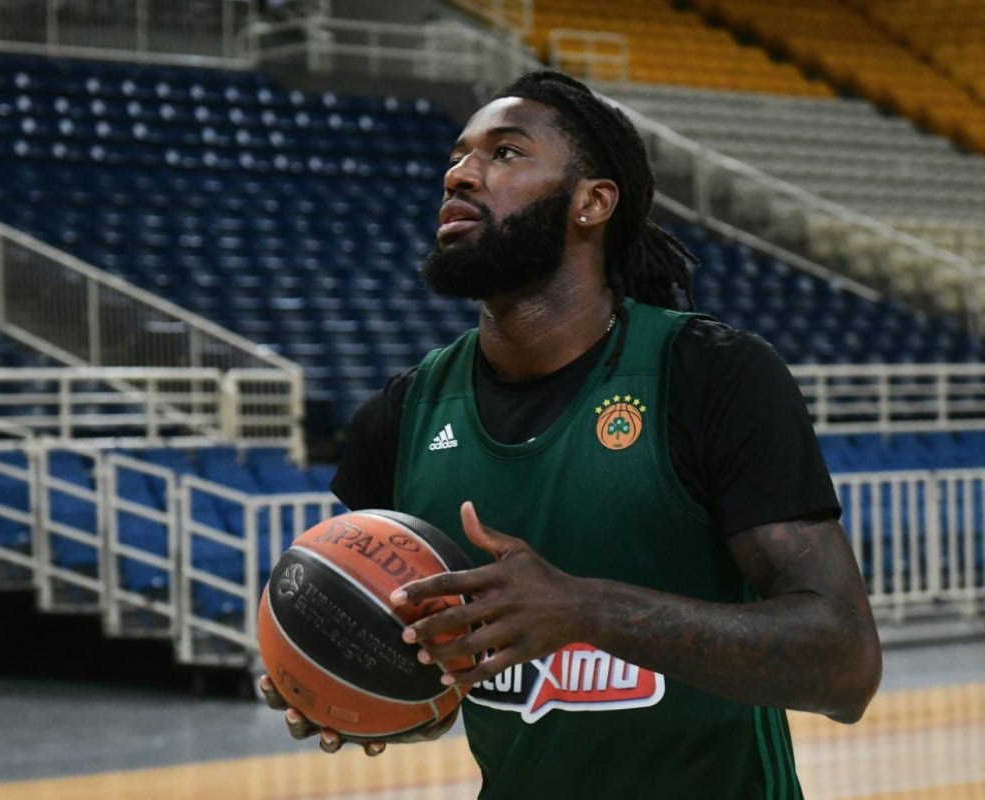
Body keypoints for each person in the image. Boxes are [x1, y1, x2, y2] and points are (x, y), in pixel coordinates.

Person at [260, 70, 882, 799]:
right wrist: (371, 689)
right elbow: (453, 676)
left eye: (505, 153)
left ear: (593, 202)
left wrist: (586, 610)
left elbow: (845, 667)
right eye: (458, 157)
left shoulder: (710, 375)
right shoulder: (403, 417)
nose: (460, 174)